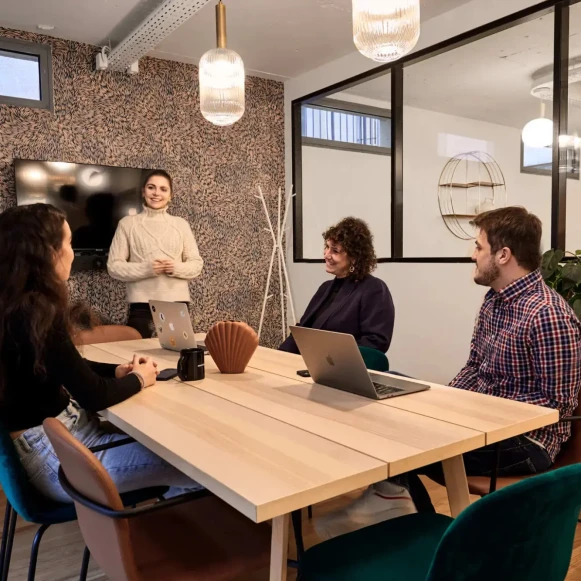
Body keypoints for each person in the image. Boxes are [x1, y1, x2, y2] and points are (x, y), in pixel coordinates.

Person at [316, 206, 581, 540]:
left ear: (503, 255)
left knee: (413, 442)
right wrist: (442, 401)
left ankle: (399, 509)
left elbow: (558, 404)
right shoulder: (494, 301)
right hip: (487, 423)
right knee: (396, 415)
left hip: (528, 441)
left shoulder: (548, 315)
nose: (473, 256)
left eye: (478, 247)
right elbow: (474, 368)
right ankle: (402, 511)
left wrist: (486, 412)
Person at [0, 204, 202, 503]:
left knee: (176, 452)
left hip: (46, 443)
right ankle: (162, 545)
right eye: (68, 244)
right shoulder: (37, 313)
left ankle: (150, 536)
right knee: (202, 470)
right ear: (47, 253)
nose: (72, 251)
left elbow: (68, 365)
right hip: (57, 455)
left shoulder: (14, 306)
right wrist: (139, 378)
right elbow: (95, 397)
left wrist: (116, 371)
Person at [108, 170, 203, 338]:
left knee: (174, 356)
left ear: (170, 195)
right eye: (151, 187)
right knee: (137, 355)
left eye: (163, 189)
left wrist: (175, 267)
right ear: (143, 192)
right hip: (141, 304)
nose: (156, 193)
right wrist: (147, 269)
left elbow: (196, 264)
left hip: (176, 303)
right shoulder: (127, 224)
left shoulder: (181, 225)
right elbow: (114, 267)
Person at [279, 217, 394, 355]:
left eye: (335, 251)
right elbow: (302, 332)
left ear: (354, 257)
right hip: (310, 366)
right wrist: (277, 356)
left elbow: (375, 343)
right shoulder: (325, 288)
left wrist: (326, 359)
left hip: (342, 372)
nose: (326, 255)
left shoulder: (374, 289)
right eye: (327, 247)